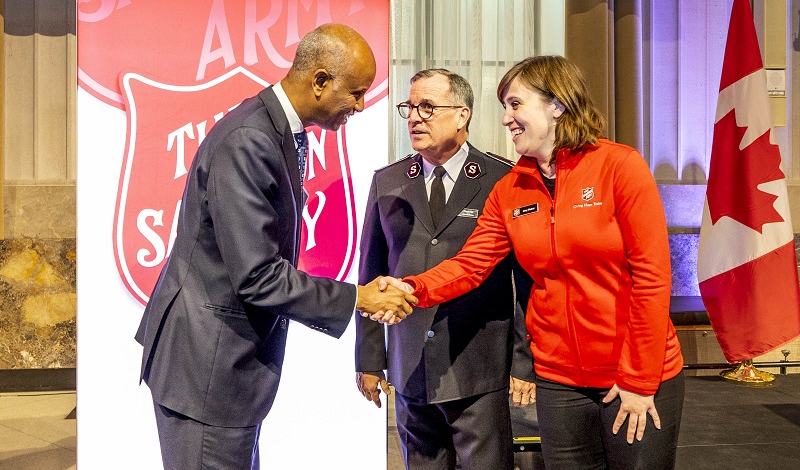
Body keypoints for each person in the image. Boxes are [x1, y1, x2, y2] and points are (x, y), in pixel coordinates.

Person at [135, 23, 417, 470]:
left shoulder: (278, 128)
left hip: (224, 369)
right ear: (320, 81)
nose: (361, 106)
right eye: (356, 93)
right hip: (206, 369)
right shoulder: (251, 138)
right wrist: (357, 297)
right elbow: (257, 275)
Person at [390, 56, 685, 469]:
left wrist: (638, 378)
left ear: (557, 106)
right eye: (505, 107)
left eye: (515, 104)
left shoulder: (620, 166)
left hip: (631, 377)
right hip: (559, 383)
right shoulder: (510, 188)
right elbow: (471, 264)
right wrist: (412, 288)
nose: (507, 118)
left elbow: (653, 278)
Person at [355, 69, 535, 470]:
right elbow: (369, 273)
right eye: (410, 107)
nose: (414, 117)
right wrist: (369, 358)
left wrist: (525, 361)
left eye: (428, 107)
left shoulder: (502, 178)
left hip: (478, 365)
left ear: (462, 115)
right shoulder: (388, 181)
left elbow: (525, 279)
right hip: (410, 365)